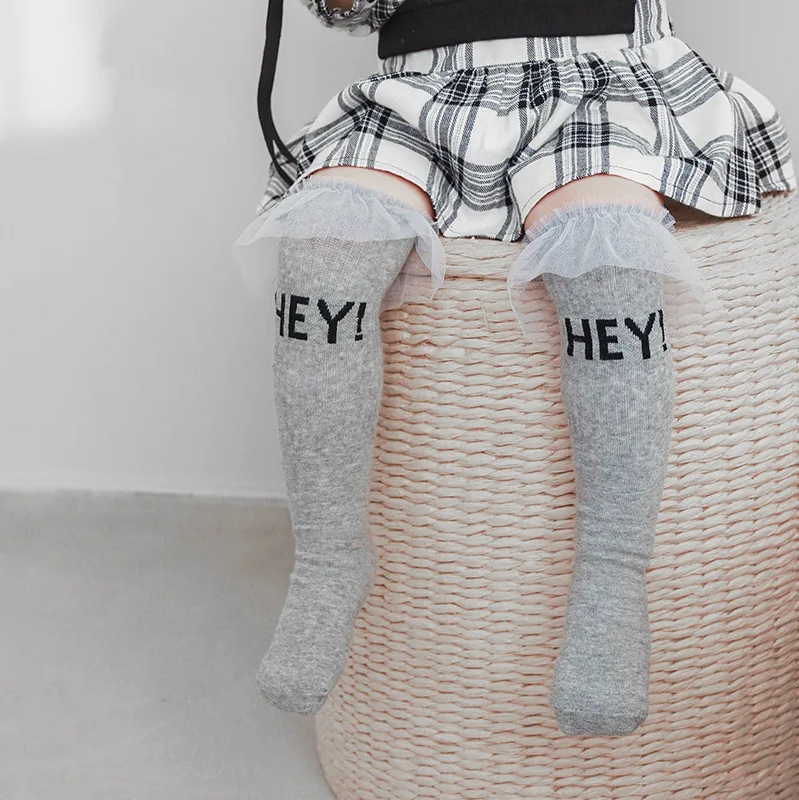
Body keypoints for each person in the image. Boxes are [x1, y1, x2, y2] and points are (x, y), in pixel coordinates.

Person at [233, 0, 796, 736]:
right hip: (424, 88)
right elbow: (349, 8)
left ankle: (611, 577)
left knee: (607, 260)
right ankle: (329, 555)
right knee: (321, 254)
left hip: (597, 77)